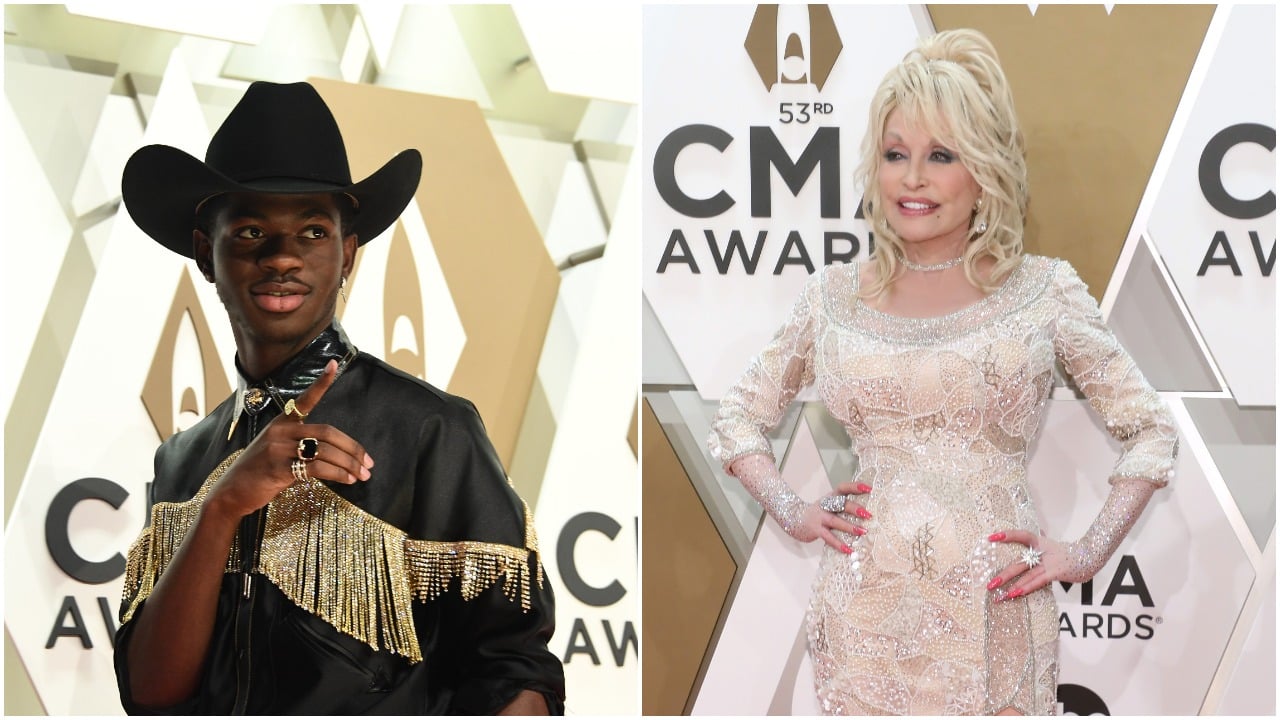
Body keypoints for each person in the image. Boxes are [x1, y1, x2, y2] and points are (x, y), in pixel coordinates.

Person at [708, 30, 1177, 716]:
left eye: (940, 156)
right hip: (863, 618)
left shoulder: (1044, 292)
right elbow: (737, 419)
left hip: (995, 614)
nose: (912, 179)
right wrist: (795, 510)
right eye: (896, 155)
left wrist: (1086, 552)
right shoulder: (832, 298)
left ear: (984, 171)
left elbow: (1151, 429)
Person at [113, 81, 565, 714]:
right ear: (203, 254)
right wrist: (221, 509)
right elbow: (153, 697)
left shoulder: (431, 429)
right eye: (248, 232)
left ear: (347, 255)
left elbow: (514, 674)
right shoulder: (182, 461)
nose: (282, 258)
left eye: (313, 232)